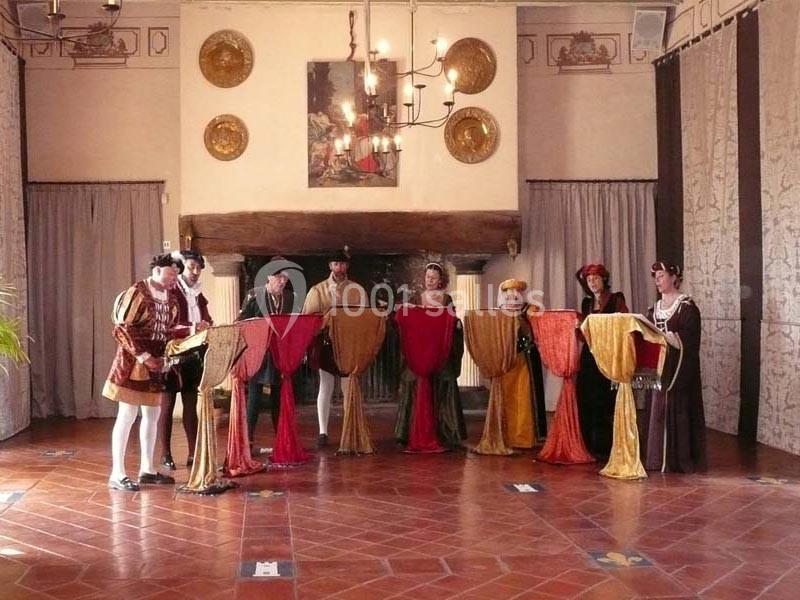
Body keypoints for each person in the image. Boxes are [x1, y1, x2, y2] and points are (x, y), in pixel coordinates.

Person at [103, 253, 187, 491]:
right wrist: (143, 356)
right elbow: (121, 328)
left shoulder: (170, 300)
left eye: (176, 276)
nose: (174, 280)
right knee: (127, 414)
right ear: (157, 270)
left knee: (152, 415)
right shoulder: (138, 292)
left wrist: (189, 332)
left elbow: (168, 330)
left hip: (157, 364)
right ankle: (117, 473)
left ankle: (147, 469)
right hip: (133, 363)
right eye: (171, 274)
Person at [394, 262, 466, 448]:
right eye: (428, 277)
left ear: (440, 280)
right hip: (421, 348)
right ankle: (410, 431)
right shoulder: (417, 297)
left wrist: (456, 324)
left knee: (445, 376)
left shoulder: (447, 298)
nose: (430, 280)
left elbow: (451, 322)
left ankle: (446, 432)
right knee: (413, 377)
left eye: (434, 278)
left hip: (439, 350)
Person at [645, 261, 707, 473]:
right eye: (655, 277)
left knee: (678, 408)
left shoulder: (687, 307)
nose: (657, 281)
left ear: (673, 278)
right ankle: (654, 458)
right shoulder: (653, 310)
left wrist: (669, 338)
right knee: (656, 409)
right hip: (659, 371)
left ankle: (677, 459)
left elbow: (690, 339)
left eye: (661, 276)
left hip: (678, 372)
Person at [302, 249, 367, 447]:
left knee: (349, 387)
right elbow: (308, 320)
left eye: (343, 264)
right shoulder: (317, 290)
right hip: (326, 343)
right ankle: (323, 432)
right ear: (330, 266)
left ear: (347, 266)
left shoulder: (357, 289)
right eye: (336, 264)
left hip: (349, 344)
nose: (339, 268)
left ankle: (350, 428)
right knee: (326, 385)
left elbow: (364, 317)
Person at [159, 251, 212, 471]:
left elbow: (206, 317)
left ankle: (193, 453)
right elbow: (168, 325)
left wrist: (207, 324)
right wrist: (193, 327)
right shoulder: (172, 291)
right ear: (182, 268)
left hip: (194, 353)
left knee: (191, 404)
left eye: (199, 268)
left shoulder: (198, 294)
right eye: (191, 267)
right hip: (172, 354)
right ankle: (165, 454)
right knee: (167, 405)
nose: (195, 272)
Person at [237, 256, 294, 453]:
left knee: (278, 396)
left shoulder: (290, 297)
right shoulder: (254, 295)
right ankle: (248, 441)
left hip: (279, 353)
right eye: (278, 276)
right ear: (269, 276)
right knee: (254, 397)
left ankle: (281, 440)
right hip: (258, 352)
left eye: (285, 277)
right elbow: (241, 323)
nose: (282, 280)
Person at [575, 264, 628, 458]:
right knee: (586, 395)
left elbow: (623, 324)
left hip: (608, 354)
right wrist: (579, 327)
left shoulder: (616, 299)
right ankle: (588, 446)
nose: (592, 283)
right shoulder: (586, 303)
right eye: (589, 280)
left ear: (604, 280)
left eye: (596, 279)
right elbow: (583, 334)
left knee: (605, 400)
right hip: (590, 355)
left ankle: (606, 448)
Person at [497, 279, 547, 447]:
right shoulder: (499, 314)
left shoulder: (528, 310)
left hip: (524, 361)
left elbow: (539, 320)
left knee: (524, 397)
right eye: (509, 296)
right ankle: (506, 436)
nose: (512, 299)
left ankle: (524, 437)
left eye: (515, 295)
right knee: (507, 397)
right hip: (505, 362)